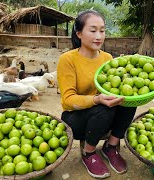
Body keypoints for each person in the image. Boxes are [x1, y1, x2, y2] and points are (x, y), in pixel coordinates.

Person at [57, 10, 136, 178]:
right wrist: (97, 99)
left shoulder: (108, 58)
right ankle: (89, 153)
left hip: (104, 114)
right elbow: (68, 99)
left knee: (128, 101)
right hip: (76, 119)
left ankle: (111, 147)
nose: (99, 36)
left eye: (102, 30)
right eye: (93, 30)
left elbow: (118, 87)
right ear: (79, 33)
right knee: (103, 108)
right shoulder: (68, 59)